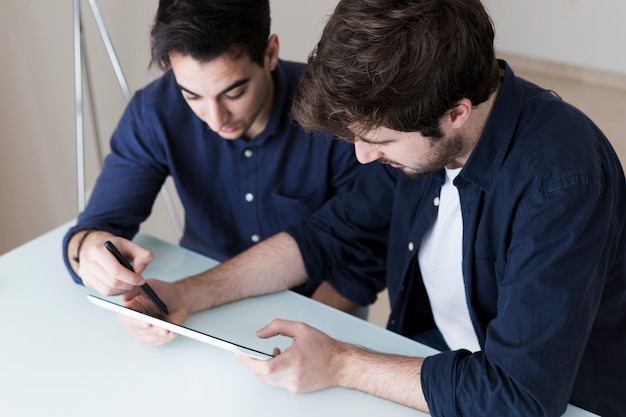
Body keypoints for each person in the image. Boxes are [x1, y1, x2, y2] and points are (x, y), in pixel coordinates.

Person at [118, 0, 626, 416]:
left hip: (557, 396)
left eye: (378, 139)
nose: (363, 155)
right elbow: (326, 235)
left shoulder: (562, 181)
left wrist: (340, 363)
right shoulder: (417, 134)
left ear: (455, 114)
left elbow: (519, 397)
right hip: (437, 351)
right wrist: (186, 294)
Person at [62, 0, 386, 315]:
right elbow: (98, 225)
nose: (215, 119)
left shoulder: (334, 114)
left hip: (316, 304)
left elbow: (368, 252)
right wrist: (88, 250)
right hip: (196, 300)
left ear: (270, 53)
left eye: (234, 93)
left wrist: (307, 329)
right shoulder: (155, 112)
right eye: (192, 96)